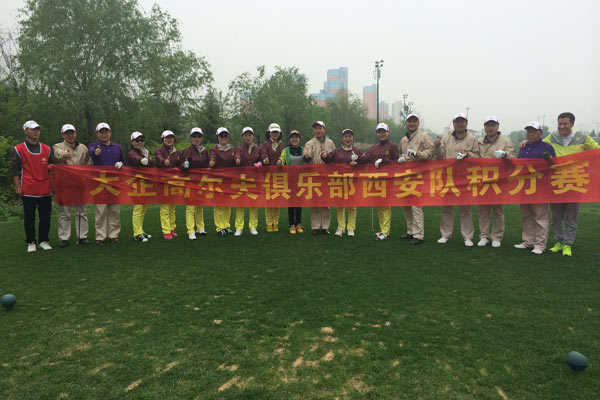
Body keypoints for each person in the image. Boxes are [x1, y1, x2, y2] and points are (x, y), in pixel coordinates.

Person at [543, 112, 599, 256]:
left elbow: (596, 151)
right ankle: (558, 241)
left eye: (565, 124)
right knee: (556, 216)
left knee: (571, 216)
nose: (562, 126)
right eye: (560, 123)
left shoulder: (582, 137)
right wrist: (526, 143)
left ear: (572, 124)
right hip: (556, 183)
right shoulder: (553, 137)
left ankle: (567, 244)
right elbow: (540, 146)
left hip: (575, 182)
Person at [434, 113, 481, 246]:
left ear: (466, 123)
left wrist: (467, 154)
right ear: (453, 123)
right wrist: (437, 146)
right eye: (457, 121)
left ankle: (467, 236)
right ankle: (445, 234)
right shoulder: (446, 138)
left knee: (465, 208)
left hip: (465, 178)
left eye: (462, 121)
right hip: (448, 177)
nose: (459, 124)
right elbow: (439, 157)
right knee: (447, 208)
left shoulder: (472, 139)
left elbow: (478, 156)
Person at [10, 120, 54, 252]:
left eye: (37, 129)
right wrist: (17, 187)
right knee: (29, 217)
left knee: (45, 217)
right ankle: (31, 242)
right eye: (32, 129)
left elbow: (51, 168)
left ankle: (44, 240)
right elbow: (15, 170)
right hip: (28, 188)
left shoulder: (47, 149)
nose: (36, 132)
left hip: (45, 188)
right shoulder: (18, 149)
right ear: (26, 131)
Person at [514, 122, 556, 254]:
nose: (530, 134)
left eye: (534, 131)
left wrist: (549, 160)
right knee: (526, 215)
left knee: (540, 216)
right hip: (525, 186)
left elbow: (554, 166)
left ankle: (540, 245)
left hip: (540, 188)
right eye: (529, 131)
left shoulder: (547, 147)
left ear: (540, 133)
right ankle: (528, 241)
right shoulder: (524, 147)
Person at [476, 115, 515, 248]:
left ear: (497, 126)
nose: (490, 128)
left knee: (498, 210)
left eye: (493, 125)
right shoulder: (479, 141)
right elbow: (474, 156)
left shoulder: (506, 141)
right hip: (482, 180)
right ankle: (484, 236)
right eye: (488, 125)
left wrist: (505, 155)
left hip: (499, 181)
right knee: (483, 210)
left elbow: (513, 159)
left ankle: (497, 237)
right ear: (484, 127)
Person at [52, 124, 92, 247]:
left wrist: (86, 176)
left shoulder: (83, 148)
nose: (70, 135)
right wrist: (64, 154)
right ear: (62, 134)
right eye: (67, 133)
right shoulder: (58, 146)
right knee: (64, 212)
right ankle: (64, 238)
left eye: (72, 133)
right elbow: (56, 154)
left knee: (81, 211)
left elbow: (89, 163)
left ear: (75, 133)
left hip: (80, 183)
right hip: (64, 184)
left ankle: (82, 236)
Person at [397, 114, 434, 245]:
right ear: (406, 123)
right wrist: (402, 158)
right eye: (409, 121)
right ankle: (410, 231)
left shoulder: (424, 136)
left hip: (418, 176)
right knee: (407, 205)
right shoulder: (403, 139)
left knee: (416, 206)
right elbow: (400, 152)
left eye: (414, 121)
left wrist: (418, 154)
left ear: (418, 123)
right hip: (406, 175)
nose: (412, 123)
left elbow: (431, 152)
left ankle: (418, 234)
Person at [359, 122, 399, 240]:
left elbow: (396, 162)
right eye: (379, 132)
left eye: (383, 132)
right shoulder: (373, 147)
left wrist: (384, 160)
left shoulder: (392, 146)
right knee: (378, 205)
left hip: (387, 181)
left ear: (388, 132)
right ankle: (382, 229)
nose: (381, 134)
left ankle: (385, 231)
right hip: (375, 181)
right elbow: (366, 158)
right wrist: (357, 158)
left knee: (385, 206)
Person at [89, 122, 125, 245]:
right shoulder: (94, 145)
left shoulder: (117, 147)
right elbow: (91, 151)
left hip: (114, 183)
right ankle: (100, 236)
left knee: (114, 210)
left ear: (110, 133)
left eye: (106, 132)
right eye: (101, 132)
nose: (104, 134)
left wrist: (121, 164)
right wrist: (96, 153)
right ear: (97, 133)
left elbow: (123, 161)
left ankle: (114, 235)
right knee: (101, 210)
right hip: (100, 183)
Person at [322, 128, 362, 237]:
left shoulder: (357, 151)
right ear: (342, 138)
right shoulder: (337, 151)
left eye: (350, 136)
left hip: (352, 183)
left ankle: (351, 228)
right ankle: (340, 227)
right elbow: (328, 160)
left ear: (352, 138)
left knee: (352, 206)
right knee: (340, 206)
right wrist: (324, 156)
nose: (348, 139)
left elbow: (363, 162)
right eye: (346, 137)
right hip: (339, 183)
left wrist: (357, 163)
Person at [303, 120, 335, 235]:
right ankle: (315, 226)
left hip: (326, 176)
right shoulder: (309, 143)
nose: (318, 131)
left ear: (324, 130)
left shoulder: (330, 143)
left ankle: (325, 227)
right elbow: (306, 158)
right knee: (315, 202)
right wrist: (307, 156)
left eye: (320, 128)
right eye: (316, 128)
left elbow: (334, 157)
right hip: (314, 176)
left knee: (326, 203)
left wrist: (328, 157)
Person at [181, 127, 209, 240]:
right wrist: (184, 165)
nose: (196, 139)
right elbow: (181, 164)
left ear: (202, 138)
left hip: (201, 182)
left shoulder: (205, 151)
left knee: (199, 206)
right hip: (190, 182)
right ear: (191, 138)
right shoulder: (187, 150)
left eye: (199, 136)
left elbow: (207, 164)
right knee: (190, 207)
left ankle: (200, 227)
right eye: (194, 136)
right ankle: (191, 230)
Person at [233, 126, 261, 236]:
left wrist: (260, 163)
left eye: (250, 135)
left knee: (253, 204)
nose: (248, 137)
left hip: (254, 180)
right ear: (243, 137)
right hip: (242, 180)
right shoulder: (239, 148)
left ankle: (253, 226)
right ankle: (239, 227)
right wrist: (237, 160)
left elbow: (261, 160)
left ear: (253, 136)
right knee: (240, 204)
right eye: (246, 135)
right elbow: (237, 156)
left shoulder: (257, 149)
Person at [155, 130, 183, 240]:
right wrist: (164, 162)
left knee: (172, 208)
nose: (169, 140)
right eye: (167, 138)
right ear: (163, 139)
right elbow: (159, 159)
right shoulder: (159, 150)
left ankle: (172, 228)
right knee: (165, 208)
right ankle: (166, 230)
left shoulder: (177, 152)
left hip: (174, 183)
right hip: (163, 183)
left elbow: (180, 163)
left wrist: (182, 165)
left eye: (171, 137)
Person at [127, 131, 154, 242]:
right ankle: (137, 233)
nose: (140, 142)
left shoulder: (145, 151)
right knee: (138, 209)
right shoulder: (132, 152)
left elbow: (150, 164)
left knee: (143, 208)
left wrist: (148, 160)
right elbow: (134, 158)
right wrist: (142, 160)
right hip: (136, 183)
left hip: (145, 183)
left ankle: (140, 230)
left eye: (142, 140)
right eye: (137, 140)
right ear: (132, 142)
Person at [209, 127, 236, 236]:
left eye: (225, 136)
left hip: (229, 180)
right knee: (218, 204)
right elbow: (212, 157)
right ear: (217, 137)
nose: (223, 138)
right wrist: (212, 162)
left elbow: (235, 160)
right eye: (221, 136)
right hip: (218, 180)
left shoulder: (232, 149)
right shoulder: (214, 149)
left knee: (227, 204)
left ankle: (226, 225)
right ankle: (220, 227)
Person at [260, 123, 285, 232]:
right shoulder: (265, 145)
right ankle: (269, 223)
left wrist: (281, 161)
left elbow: (284, 157)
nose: (275, 134)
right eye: (273, 132)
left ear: (279, 133)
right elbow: (263, 154)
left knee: (277, 200)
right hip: (268, 176)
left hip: (279, 176)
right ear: (269, 133)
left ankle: (276, 222)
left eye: (276, 132)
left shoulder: (283, 145)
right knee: (269, 200)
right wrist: (265, 159)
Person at [280, 130, 305, 234]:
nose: (295, 139)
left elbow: (307, 161)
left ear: (299, 139)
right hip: (289, 180)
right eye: (292, 137)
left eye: (296, 137)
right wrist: (279, 162)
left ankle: (298, 223)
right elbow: (282, 160)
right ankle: (292, 225)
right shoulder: (286, 150)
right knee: (291, 203)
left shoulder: (303, 149)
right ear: (290, 139)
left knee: (299, 202)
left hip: (301, 181)